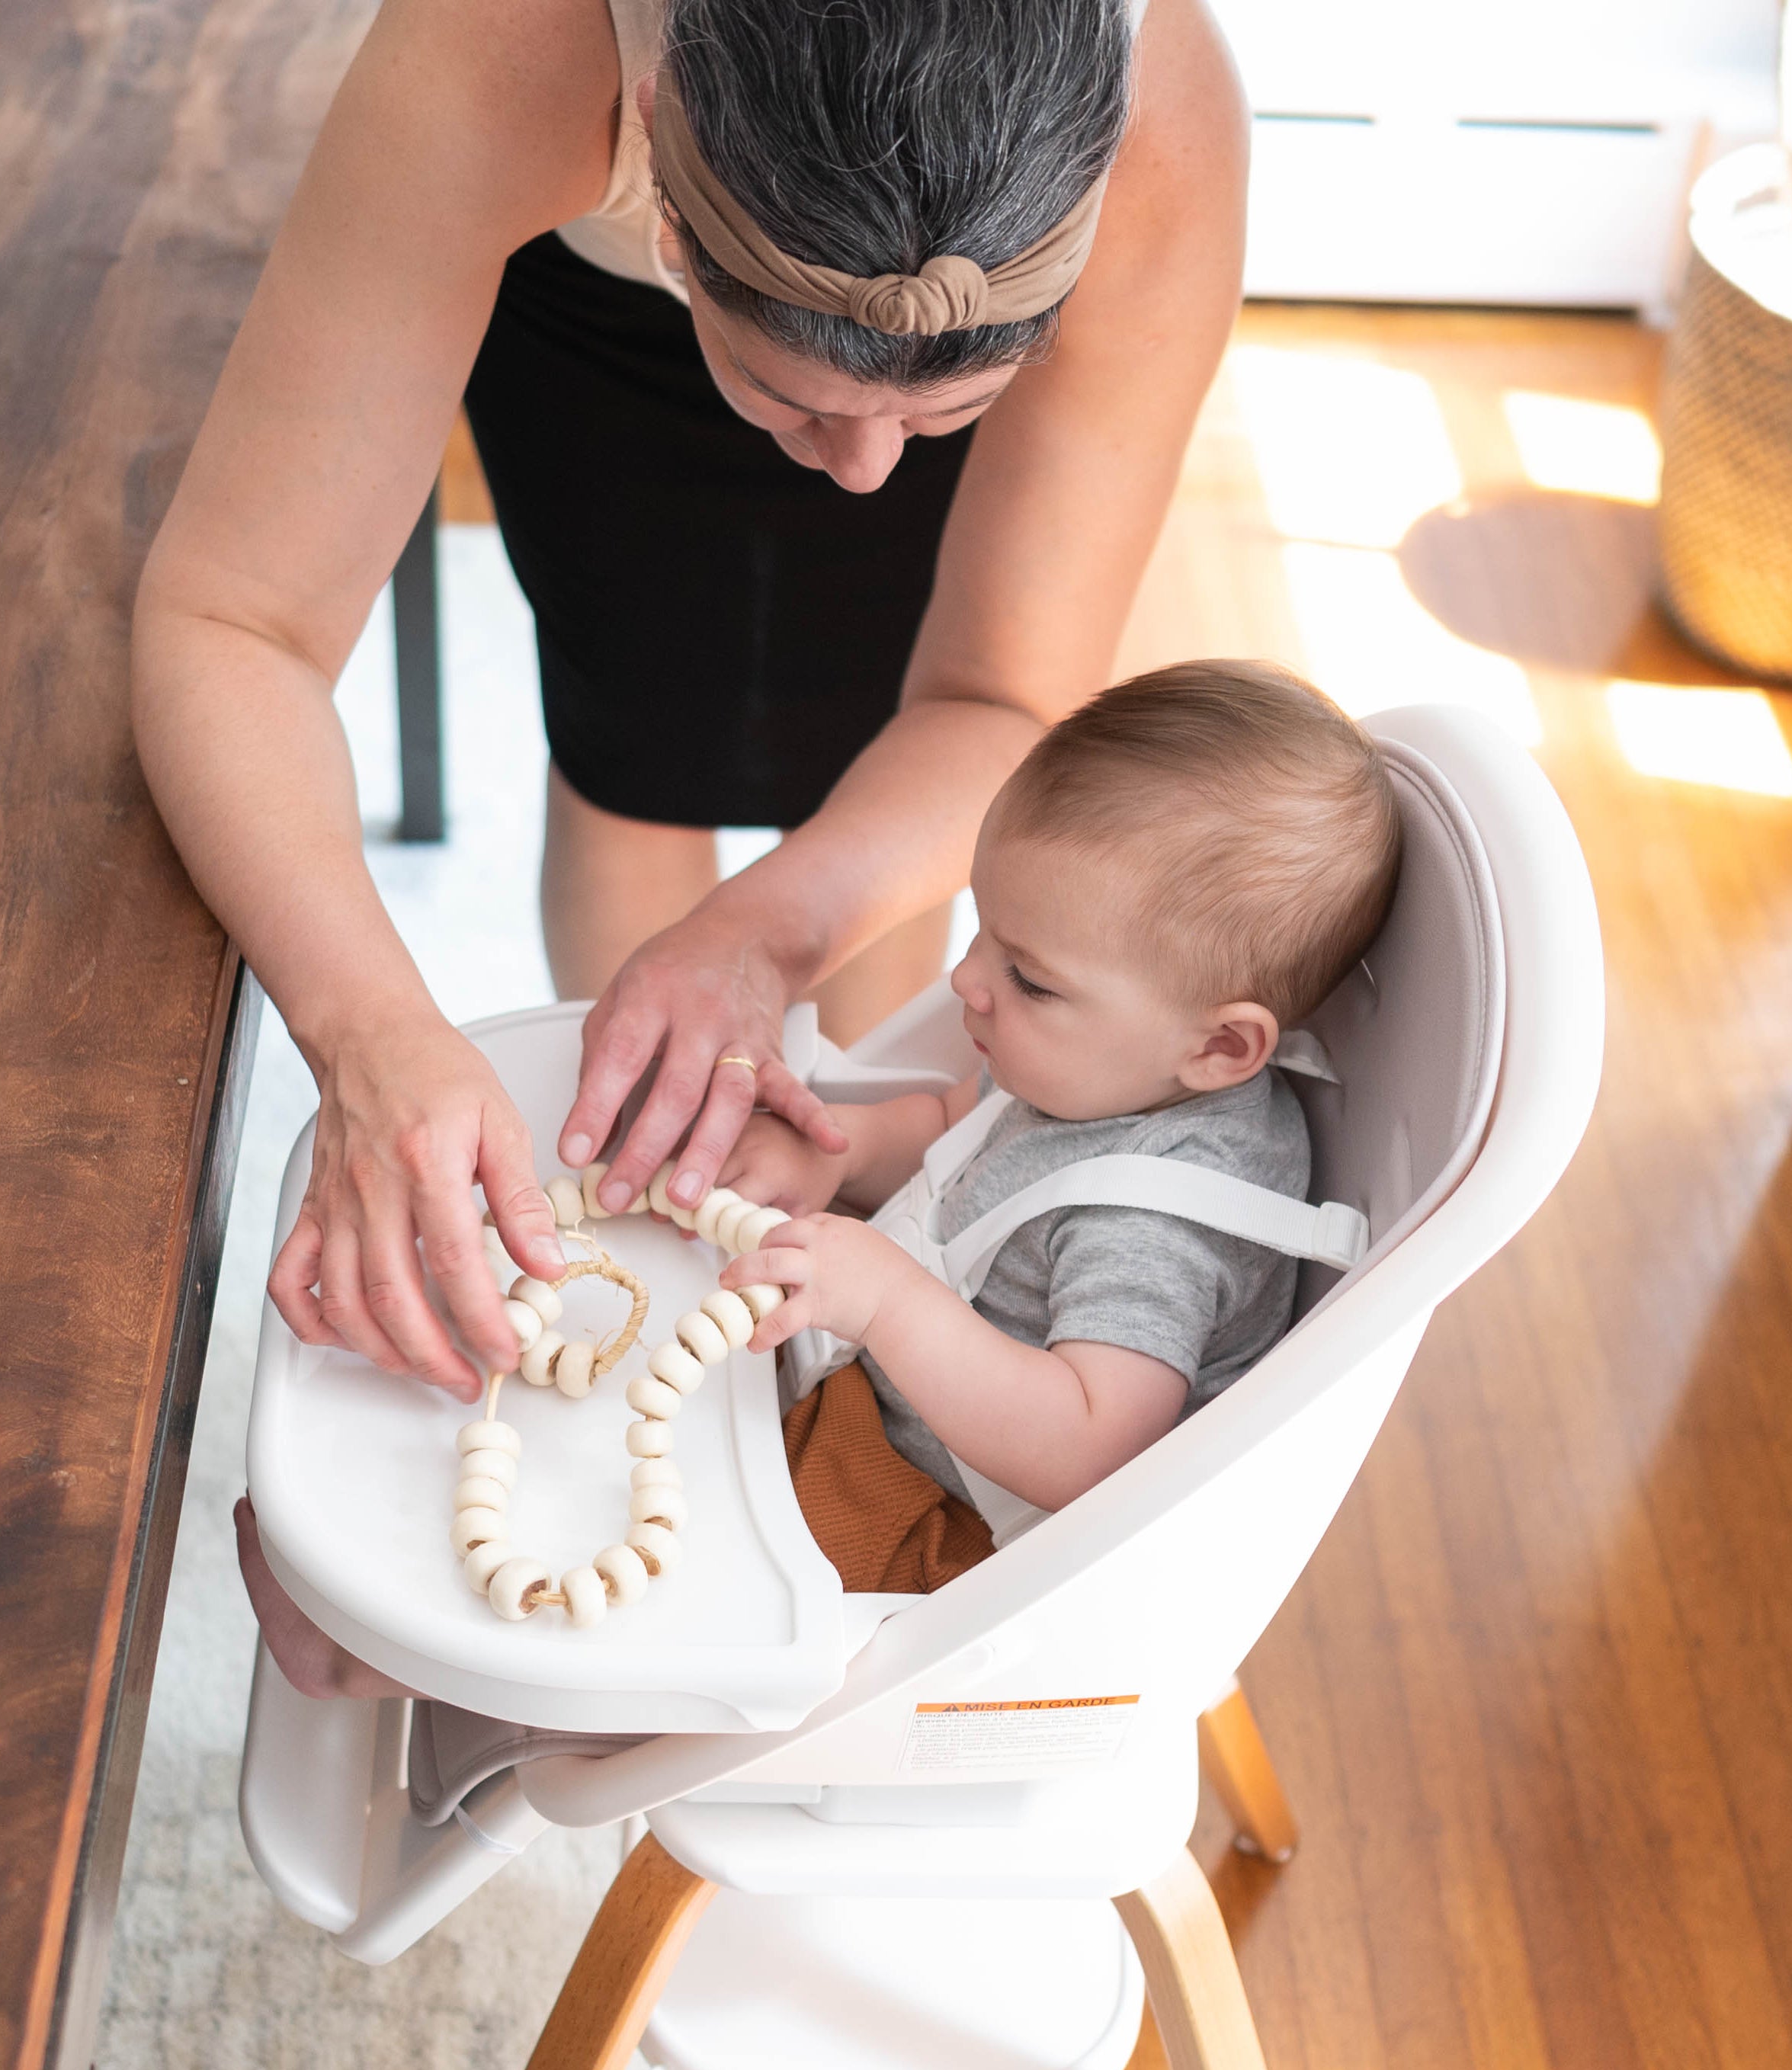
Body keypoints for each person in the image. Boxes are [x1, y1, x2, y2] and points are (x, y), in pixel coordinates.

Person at [135, 0, 1249, 1405]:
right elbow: (234, 618)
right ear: (657, 142)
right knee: (633, 709)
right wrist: (369, 1031)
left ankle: (824, 1255)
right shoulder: (507, 50)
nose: (861, 474)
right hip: (587, 294)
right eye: (796, 403)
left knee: (865, 750)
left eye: (946, 417)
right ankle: (638, 1208)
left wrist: (769, 932)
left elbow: (1006, 697)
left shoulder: (1164, 113)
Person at [238, 657, 1402, 1706]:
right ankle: (377, 1572)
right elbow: (970, 1130)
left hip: (932, 1509)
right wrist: (832, 1157)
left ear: (1225, 1049)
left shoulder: (1159, 1227)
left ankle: (383, 1668)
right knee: (608, 1393)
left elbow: (1092, 1444)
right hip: (864, 1382)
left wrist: (892, 1302)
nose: (967, 981)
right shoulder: (1124, 1061)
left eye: (1026, 977)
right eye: (985, 932)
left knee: (666, 1612)